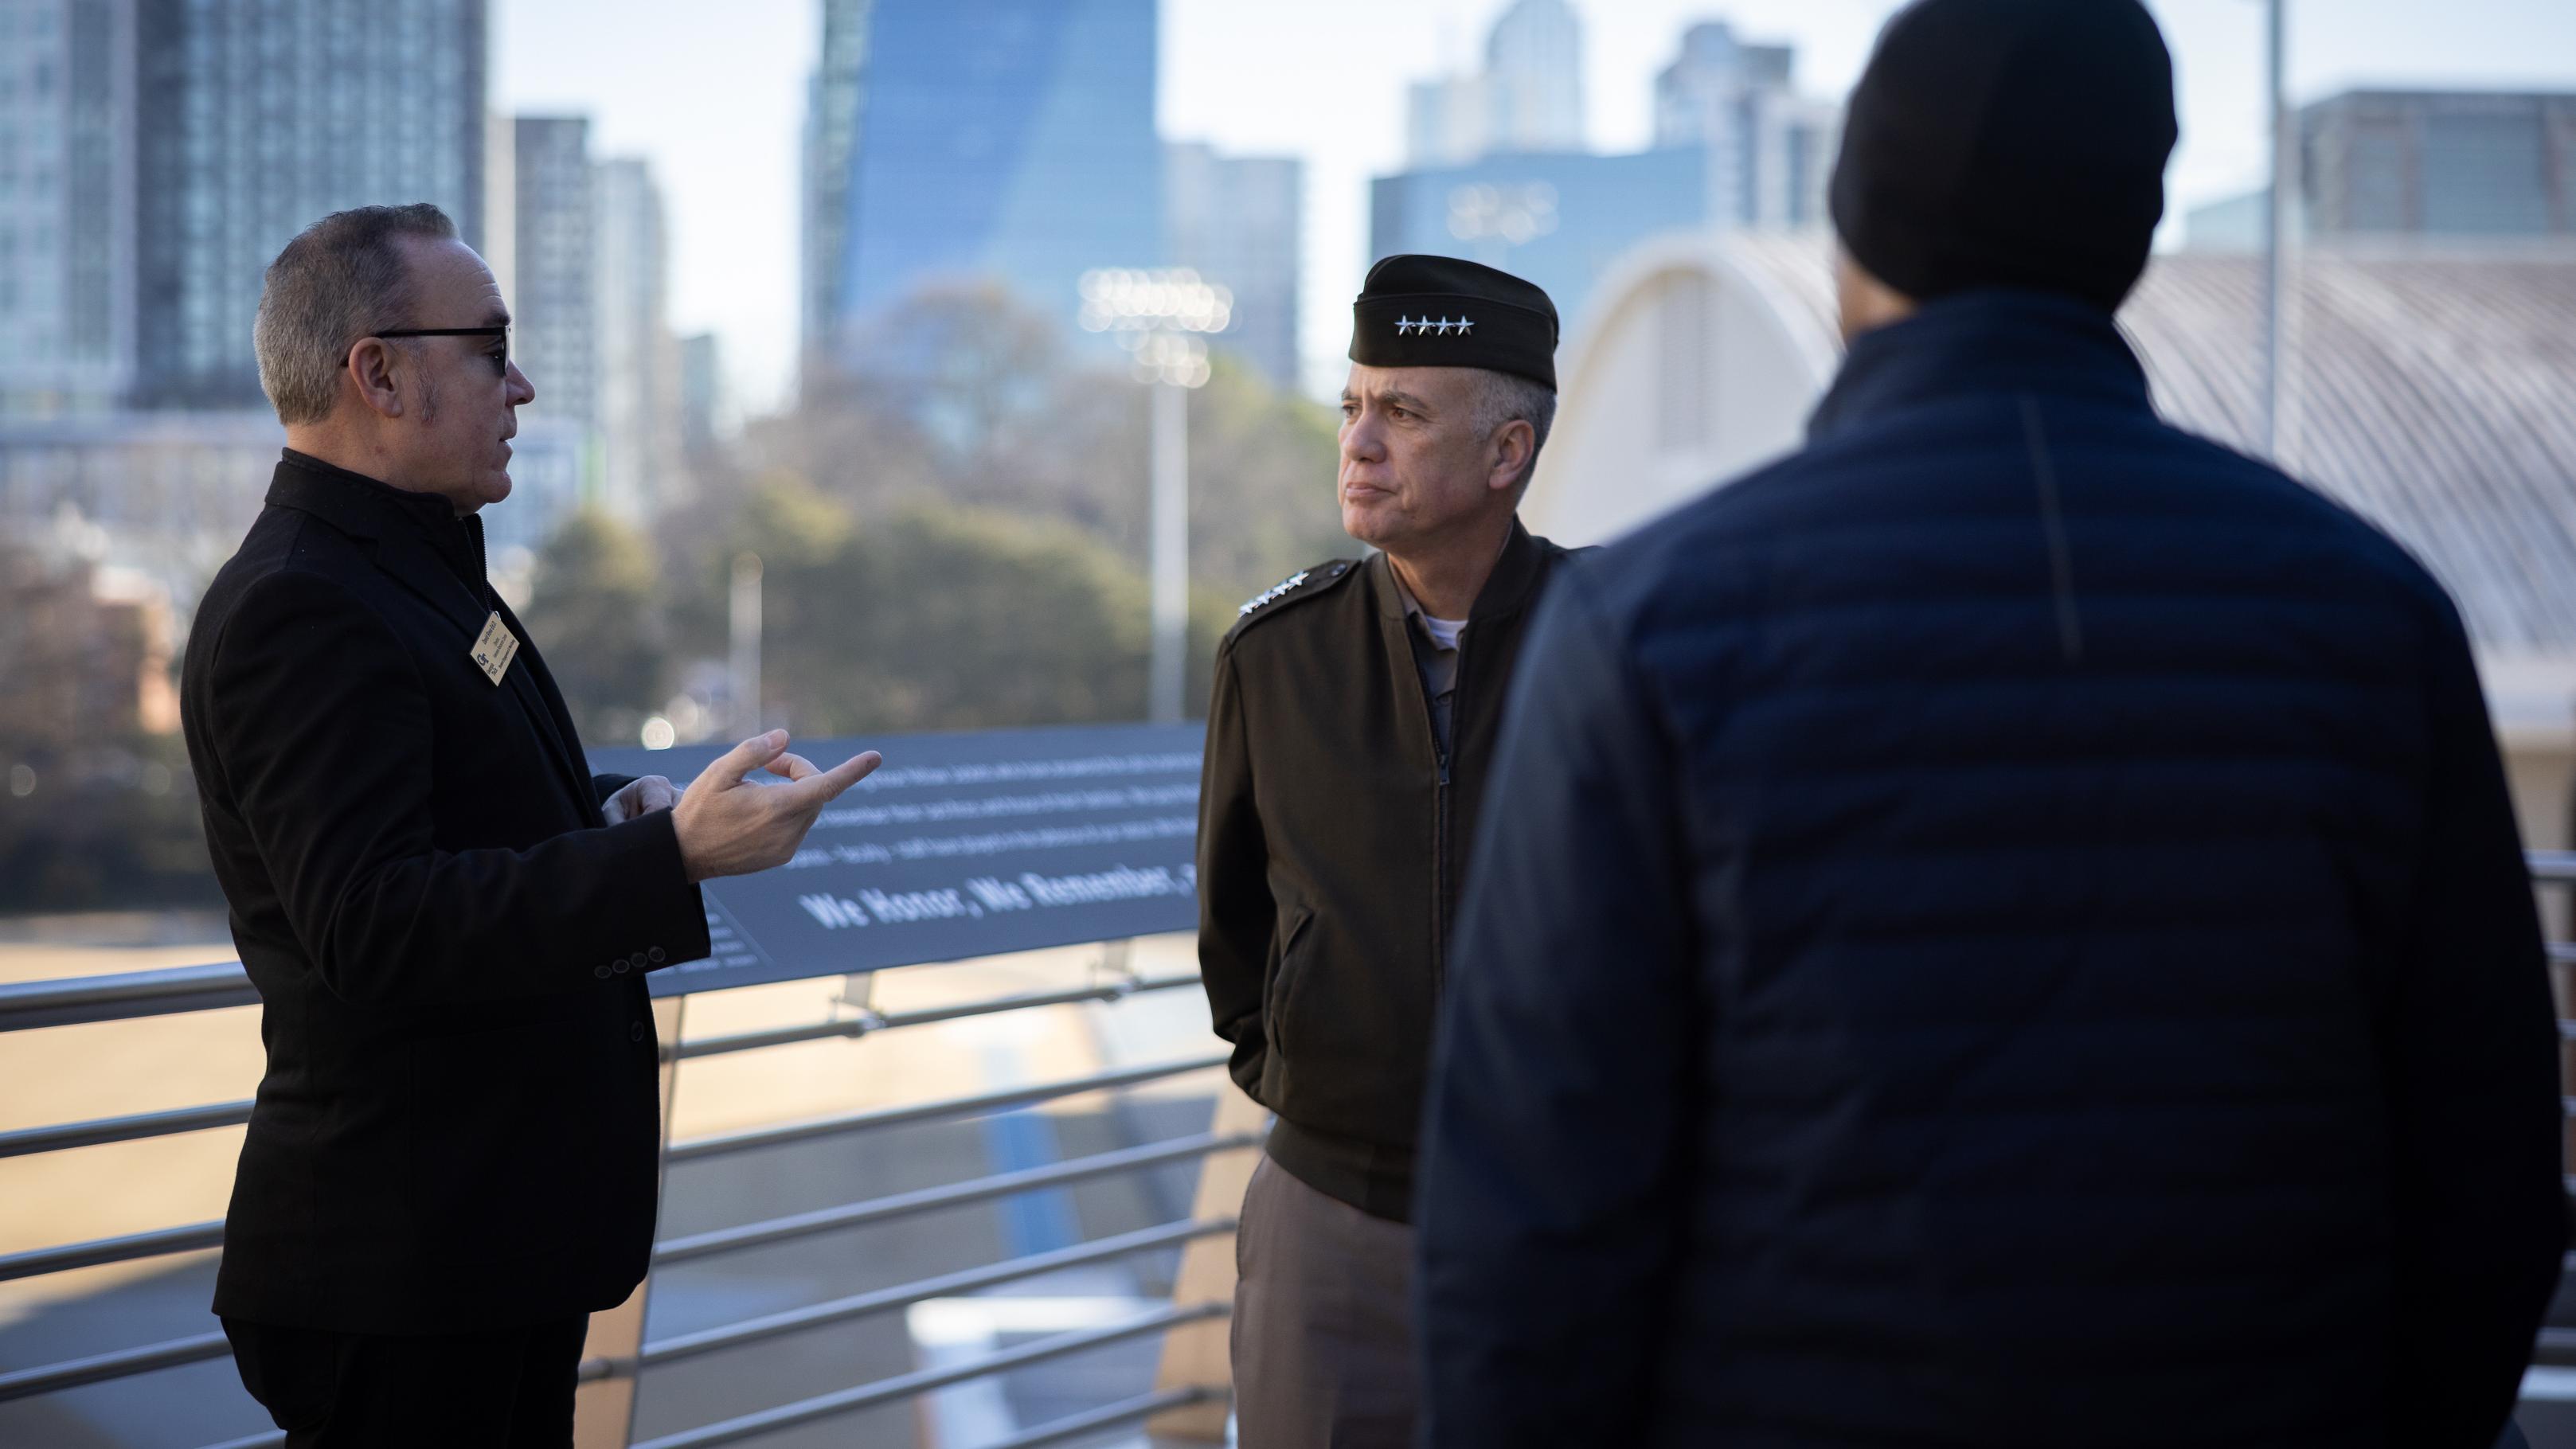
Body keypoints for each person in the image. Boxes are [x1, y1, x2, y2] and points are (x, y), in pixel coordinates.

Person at [1413, 3, 2566, 1447]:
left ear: (1849, 222)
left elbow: (1527, 1233)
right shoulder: (2374, 622)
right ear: (2135, 232)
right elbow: (2495, 1183)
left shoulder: (1647, 630)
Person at [178, 203, 881, 1447]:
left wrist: (615, 812)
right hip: (406, 1277)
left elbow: (454, 807)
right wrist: (667, 859)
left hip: (477, 1252)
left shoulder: (408, 564)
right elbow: (376, 926)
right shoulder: (305, 604)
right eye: (492, 347)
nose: (525, 384)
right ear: (379, 374)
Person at [1194, 255, 1580, 1447]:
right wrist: (1322, 1095)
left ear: (1507, 452)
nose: (1360, 443)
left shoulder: (1620, 646)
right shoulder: (1276, 653)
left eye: (1405, 413)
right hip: (1331, 1225)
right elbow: (1235, 934)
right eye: (1354, 406)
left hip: (1564, 1221)